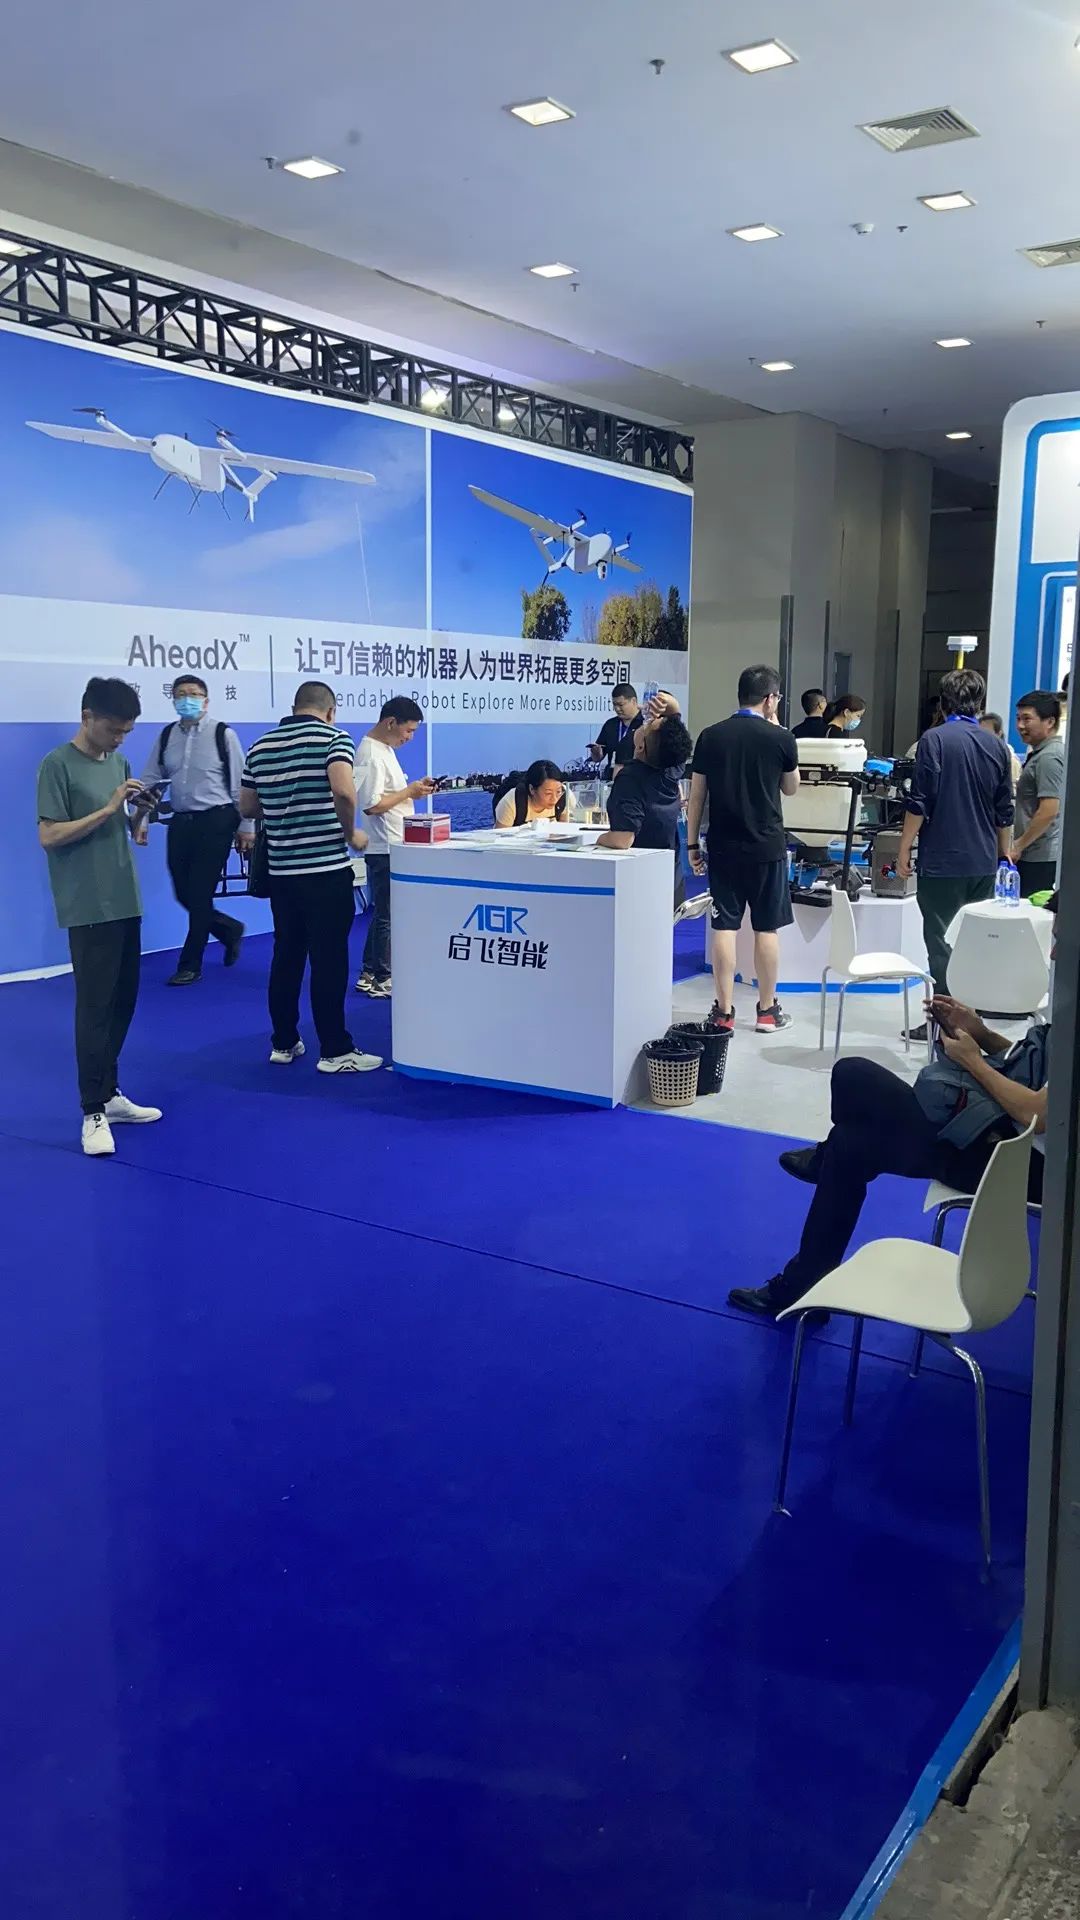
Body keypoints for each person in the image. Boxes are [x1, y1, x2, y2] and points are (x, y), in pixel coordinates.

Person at [728, 982, 1051, 1320]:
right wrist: (980, 1033)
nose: (1054, 955)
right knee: (850, 1133)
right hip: (999, 1140)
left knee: (852, 1090)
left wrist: (973, 1061)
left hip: (1015, 1165)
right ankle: (806, 1278)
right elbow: (1036, 1070)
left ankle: (805, 1273)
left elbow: (1036, 1114)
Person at [36, 677, 162, 1157]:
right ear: (87, 717)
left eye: (127, 732)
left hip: (125, 897)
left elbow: (130, 832)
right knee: (93, 1009)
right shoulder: (57, 765)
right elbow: (49, 836)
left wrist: (140, 815)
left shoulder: (119, 763)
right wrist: (109, 808)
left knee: (123, 1002)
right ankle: (91, 1111)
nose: (120, 739)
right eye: (113, 730)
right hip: (88, 904)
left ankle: (109, 1094)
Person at [239, 682, 382, 1075]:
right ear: (330, 711)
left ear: (293, 707)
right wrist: (350, 832)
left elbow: (248, 806)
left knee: (286, 957)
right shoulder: (334, 739)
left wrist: (284, 809)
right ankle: (335, 1050)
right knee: (329, 961)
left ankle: (283, 1042)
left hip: (283, 874)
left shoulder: (261, 746)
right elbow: (344, 792)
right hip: (325, 871)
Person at [687, 663, 799, 1036]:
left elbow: (697, 796)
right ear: (770, 698)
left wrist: (691, 843)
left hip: (723, 846)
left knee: (724, 927)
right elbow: (791, 788)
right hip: (767, 847)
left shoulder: (711, 736)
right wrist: (781, 731)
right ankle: (767, 1011)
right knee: (766, 928)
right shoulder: (781, 738)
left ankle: (723, 1012)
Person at [897, 666, 1014, 1023]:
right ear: (980, 703)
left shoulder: (934, 740)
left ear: (943, 703)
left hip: (942, 862)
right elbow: (1004, 810)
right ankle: (970, 1020)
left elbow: (920, 801)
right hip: (983, 862)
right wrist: (1005, 856)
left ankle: (946, 1024)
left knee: (941, 943)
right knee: (974, 944)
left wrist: (904, 848)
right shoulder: (997, 745)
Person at [134, 674, 250, 987]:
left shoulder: (223, 735)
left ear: (206, 701)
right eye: (181, 694)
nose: (188, 699)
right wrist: (140, 816)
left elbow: (240, 785)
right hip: (182, 821)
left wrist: (246, 826)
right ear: (173, 700)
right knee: (183, 892)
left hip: (217, 819)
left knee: (199, 892)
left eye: (194, 694)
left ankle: (190, 964)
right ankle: (228, 928)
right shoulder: (167, 736)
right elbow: (150, 778)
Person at [353, 696, 435, 998]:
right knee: (387, 916)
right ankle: (383, 977)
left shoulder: (382, 749)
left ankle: (369, 973)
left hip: (392, 843)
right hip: (385, 846)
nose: (409, 738)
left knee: (384, 914)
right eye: (408, 730)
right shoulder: (370, 753)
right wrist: (409, 791)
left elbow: (386, 797)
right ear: (390, 723)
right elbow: (372, 805)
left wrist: (412, 791)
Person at [594, 693, 693, 904]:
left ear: (640, 746)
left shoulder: (630, 778)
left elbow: (622, 839)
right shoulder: (671, 765)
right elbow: (674, 720)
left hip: (640, 879)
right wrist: (667, 702)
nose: (646, 722)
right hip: (669, 874)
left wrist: (599, 839)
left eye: (647, 726)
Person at [1011, 690, 1065, 897]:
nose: (1020, 726)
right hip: (1034, 854)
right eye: (1018, 718)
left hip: (1040, 858)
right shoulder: (1041, 753)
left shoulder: (1049, 757)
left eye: (1027, 719)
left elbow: (1049, 809)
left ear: (1049, 722)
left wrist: (1019, 845)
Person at [494, 760, 577, 827]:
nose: (554, 799)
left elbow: (564, 832)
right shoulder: (511, 803)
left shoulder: (565, 797)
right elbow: (500, 839)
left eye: (558, 792)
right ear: (532, 789)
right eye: (548, 793)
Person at [588, 683, 643, 773]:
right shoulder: (610, 725)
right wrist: (596, 754)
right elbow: (597, 758)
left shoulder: (645, 724)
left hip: (636, 776)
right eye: (614, 704)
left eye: (621, 705)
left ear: (633, 701)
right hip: (611, 775)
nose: (617, 709)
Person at [979, 712, 1022, 791]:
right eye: (979, 733)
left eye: (987, 733)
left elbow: (1013, 792)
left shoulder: (1011, 760)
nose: (982, 737)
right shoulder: (977, 756)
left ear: (999, 734)